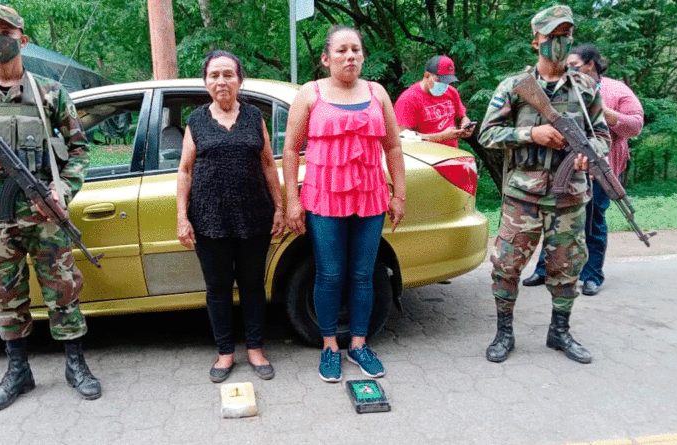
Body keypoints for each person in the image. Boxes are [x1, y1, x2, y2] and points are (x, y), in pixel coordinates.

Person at [0, 4, 100, 411]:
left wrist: (63, 189)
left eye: (4, 31)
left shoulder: (49, 93)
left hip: (45, 212)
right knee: (5, 295)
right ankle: (18, 372)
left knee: (63, 290)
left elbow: (79, 150)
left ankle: (75, 366)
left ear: (22, 38)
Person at [478, 5, 611, 364]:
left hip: (569, 196)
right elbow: (487, 133)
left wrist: (590, 153)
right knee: (506, 265)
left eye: (565, 35)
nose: (560, 42)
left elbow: (602, 135)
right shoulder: (514, 87)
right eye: (552, 35)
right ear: (535, 40)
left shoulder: (586, 88)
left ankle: (560, 332)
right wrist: (531, 133)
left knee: (567, 267)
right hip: (523, 195)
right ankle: (504, 332)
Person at [282, 25, 406, 382]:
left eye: (356, 49)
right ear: (325, 58)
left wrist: (399, 195)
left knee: (364, 274)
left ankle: (359, 344)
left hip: (370, 196)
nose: (350, 56)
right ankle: (329, 348)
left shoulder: (378, 92)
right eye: (341, 50)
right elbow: (291, 150)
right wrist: (293, 201)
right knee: (329, 273)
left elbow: (393, 148)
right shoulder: (309, 94)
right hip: (324, 196)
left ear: (363, 56)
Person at [176, 50, 285, 383]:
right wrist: (182, 216)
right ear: (206, 81)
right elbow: (185, 169)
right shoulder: (195, 120)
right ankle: (225, 352)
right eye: (214, 75)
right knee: (218, 288)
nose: (221, 81)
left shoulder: (254, 117)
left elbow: (268, 163)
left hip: (254, 216)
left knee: (253, 285)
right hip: (209, 220)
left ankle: (255, 348)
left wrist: (279, 206)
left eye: (228, 74)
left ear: (240, 79)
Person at [524, 43, 644, 296]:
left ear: (591, 64)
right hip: (558, 166)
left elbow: (635, 125)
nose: (569, 69)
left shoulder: (616, 90)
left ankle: (592, 276)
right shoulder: (561, 86)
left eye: (575, 65)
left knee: (593, 222)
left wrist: (606, 113)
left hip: (600, 166)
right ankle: (545, 269)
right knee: (553, 218)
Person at [394, 55, 475, 147]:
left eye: (447, 81)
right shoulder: (409, 99)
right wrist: (440, 137)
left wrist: (465, 124)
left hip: (451, 155)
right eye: (440, 81)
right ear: (427, 75)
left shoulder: (451, 92)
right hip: (426, 157)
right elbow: (401, 137)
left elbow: (462, 116)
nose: (444, 85)